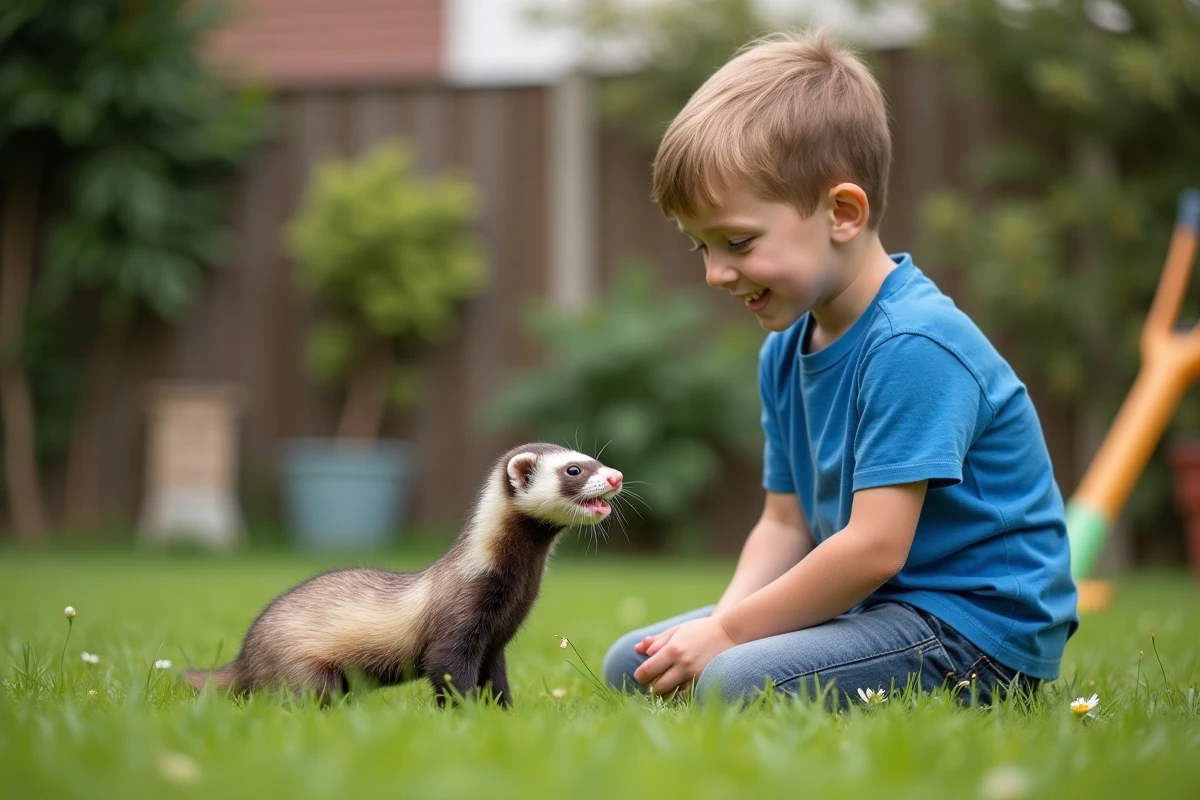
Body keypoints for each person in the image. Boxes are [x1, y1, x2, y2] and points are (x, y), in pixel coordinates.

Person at [601, 28, 1079, 708]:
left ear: (842, 213)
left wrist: (731, 640)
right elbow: (785, 525)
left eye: (737, 241)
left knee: (733, 680)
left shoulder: (914, 344)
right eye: (699, 248)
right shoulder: (786, 350)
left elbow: (873, 550)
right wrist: (718, 627)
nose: (714, 274)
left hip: (971, 631)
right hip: (875, 610)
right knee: (637, 663)